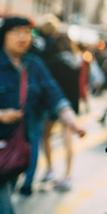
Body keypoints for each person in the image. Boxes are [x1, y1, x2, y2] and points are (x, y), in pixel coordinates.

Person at [0, 17, 85, 214]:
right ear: (3, 35)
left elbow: (54, 94)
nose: (22, 37)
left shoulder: (34, 65)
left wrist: (71, 121)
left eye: (27, 32)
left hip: (16, 151)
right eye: (16, 32)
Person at [36, 35, 83, 192]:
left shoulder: (55, 61)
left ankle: (50, 169)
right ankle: (68, 175)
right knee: (67, 139)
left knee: (46, 136)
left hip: (54, 103)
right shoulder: (76, 61)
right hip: (70, 104)